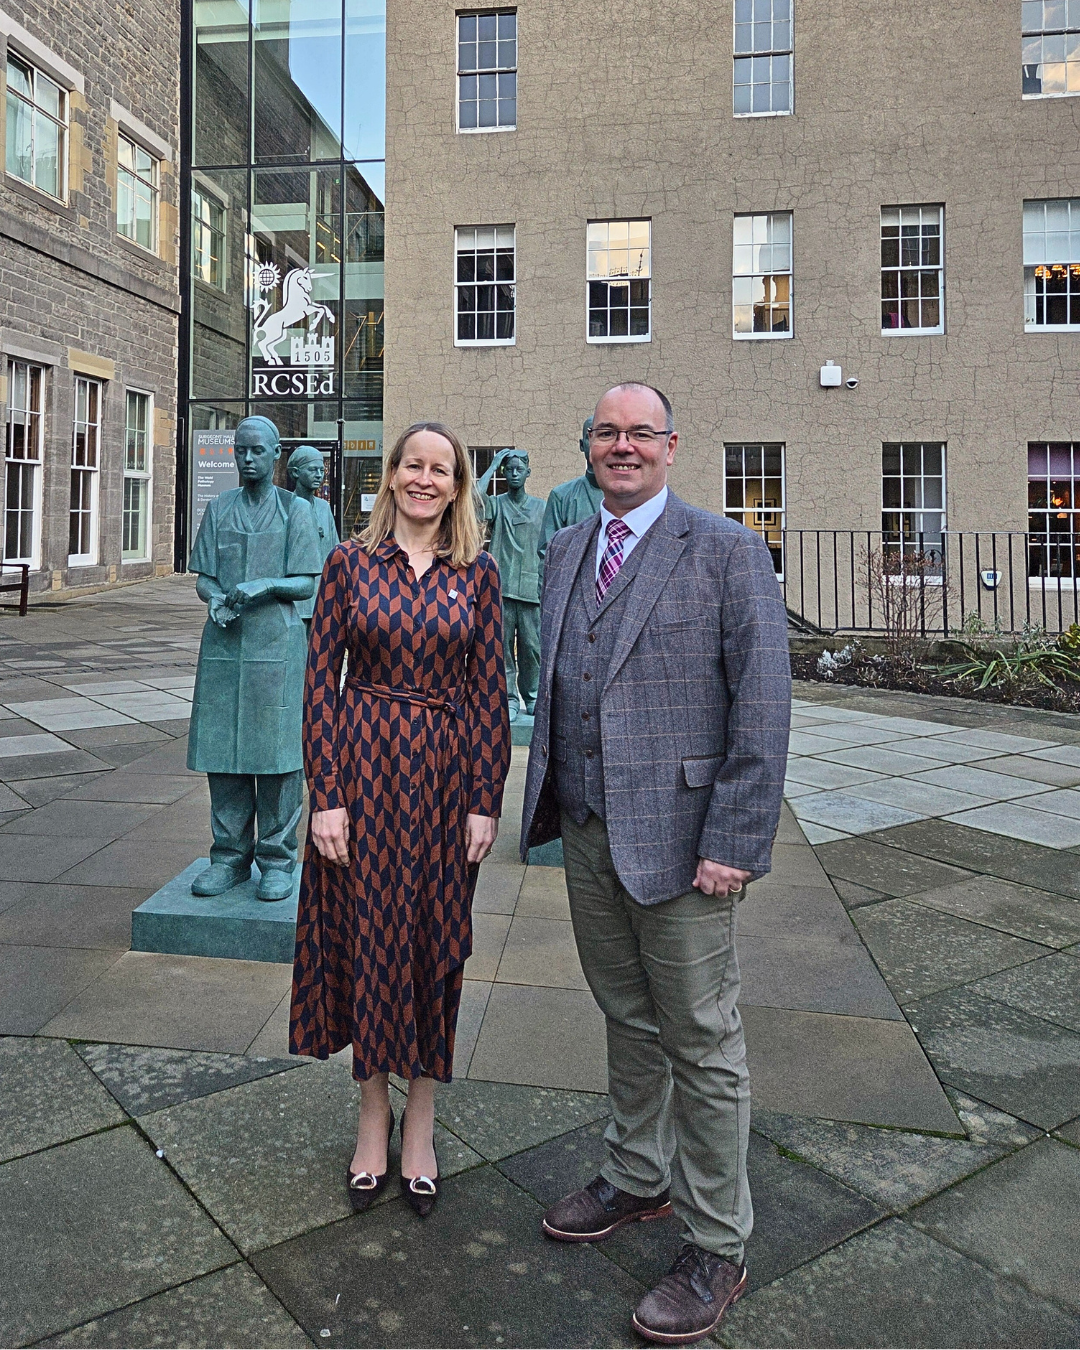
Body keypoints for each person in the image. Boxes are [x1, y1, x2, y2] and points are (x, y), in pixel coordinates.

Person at [520, 383, 790, 1345]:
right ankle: (638, 1177)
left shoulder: (726, 551)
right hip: (589, 831)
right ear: (588, 445)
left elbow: (761, 708)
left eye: (641, 433)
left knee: (703, 1041)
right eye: (607, 432)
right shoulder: (562, 550)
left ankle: (720, 1241)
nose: (622, 447)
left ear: (674, 447)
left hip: (686, 845)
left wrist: (735, 841)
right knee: (627, 1016)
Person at [291, 421, 511, 1219]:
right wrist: (328, 794)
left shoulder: (477, 575)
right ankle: (372, 1120)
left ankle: (421, 1122)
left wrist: (486, 798)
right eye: (412, 466)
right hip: (364, 770)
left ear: (457, 486)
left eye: (440, 469)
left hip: (445, 783)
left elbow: (490, 694)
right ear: (391, 478)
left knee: (432, 947)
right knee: (367, 940)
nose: (425, 479)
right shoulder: (349, 565)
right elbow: (320, 683)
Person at [187, 415, 323, 902]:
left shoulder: (295, 511)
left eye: (257, 451)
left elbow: (306, 582)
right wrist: (215, 597)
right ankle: (228, 857)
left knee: (278, 756)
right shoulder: (219, 508)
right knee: (222, 752)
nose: (247, 458)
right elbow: (203, 576)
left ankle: (277, 860)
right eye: (240, 450)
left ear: (276, 453)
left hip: (278, 644)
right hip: (225, 643)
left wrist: (265, 586)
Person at [474, 448, 545, 721]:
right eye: (509, 469)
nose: (514, 473)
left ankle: (533, 696)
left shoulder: (541, 507)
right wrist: (492, 464)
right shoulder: (497, 504)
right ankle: (509, 698)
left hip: (530, 591)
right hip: (501, 589)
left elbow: (547, 548)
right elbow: (474, 501)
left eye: (519, 469)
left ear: (528, 472)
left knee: (532, 648)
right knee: (502, 648)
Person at [537, 415, 602, 584]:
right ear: (582, 445)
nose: (595, 443)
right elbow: (548, 556)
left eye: (603, 436)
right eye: (590, 437)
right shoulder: (562, 496)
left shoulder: (628, 496)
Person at [286, 445, 340, 624]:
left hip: (323, 597)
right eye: (312, 470)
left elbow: (335, 552)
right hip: (295, 600)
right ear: (295, 473)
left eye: (321, 470)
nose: (319, 475)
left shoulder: (324, 508)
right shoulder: (286, 508)